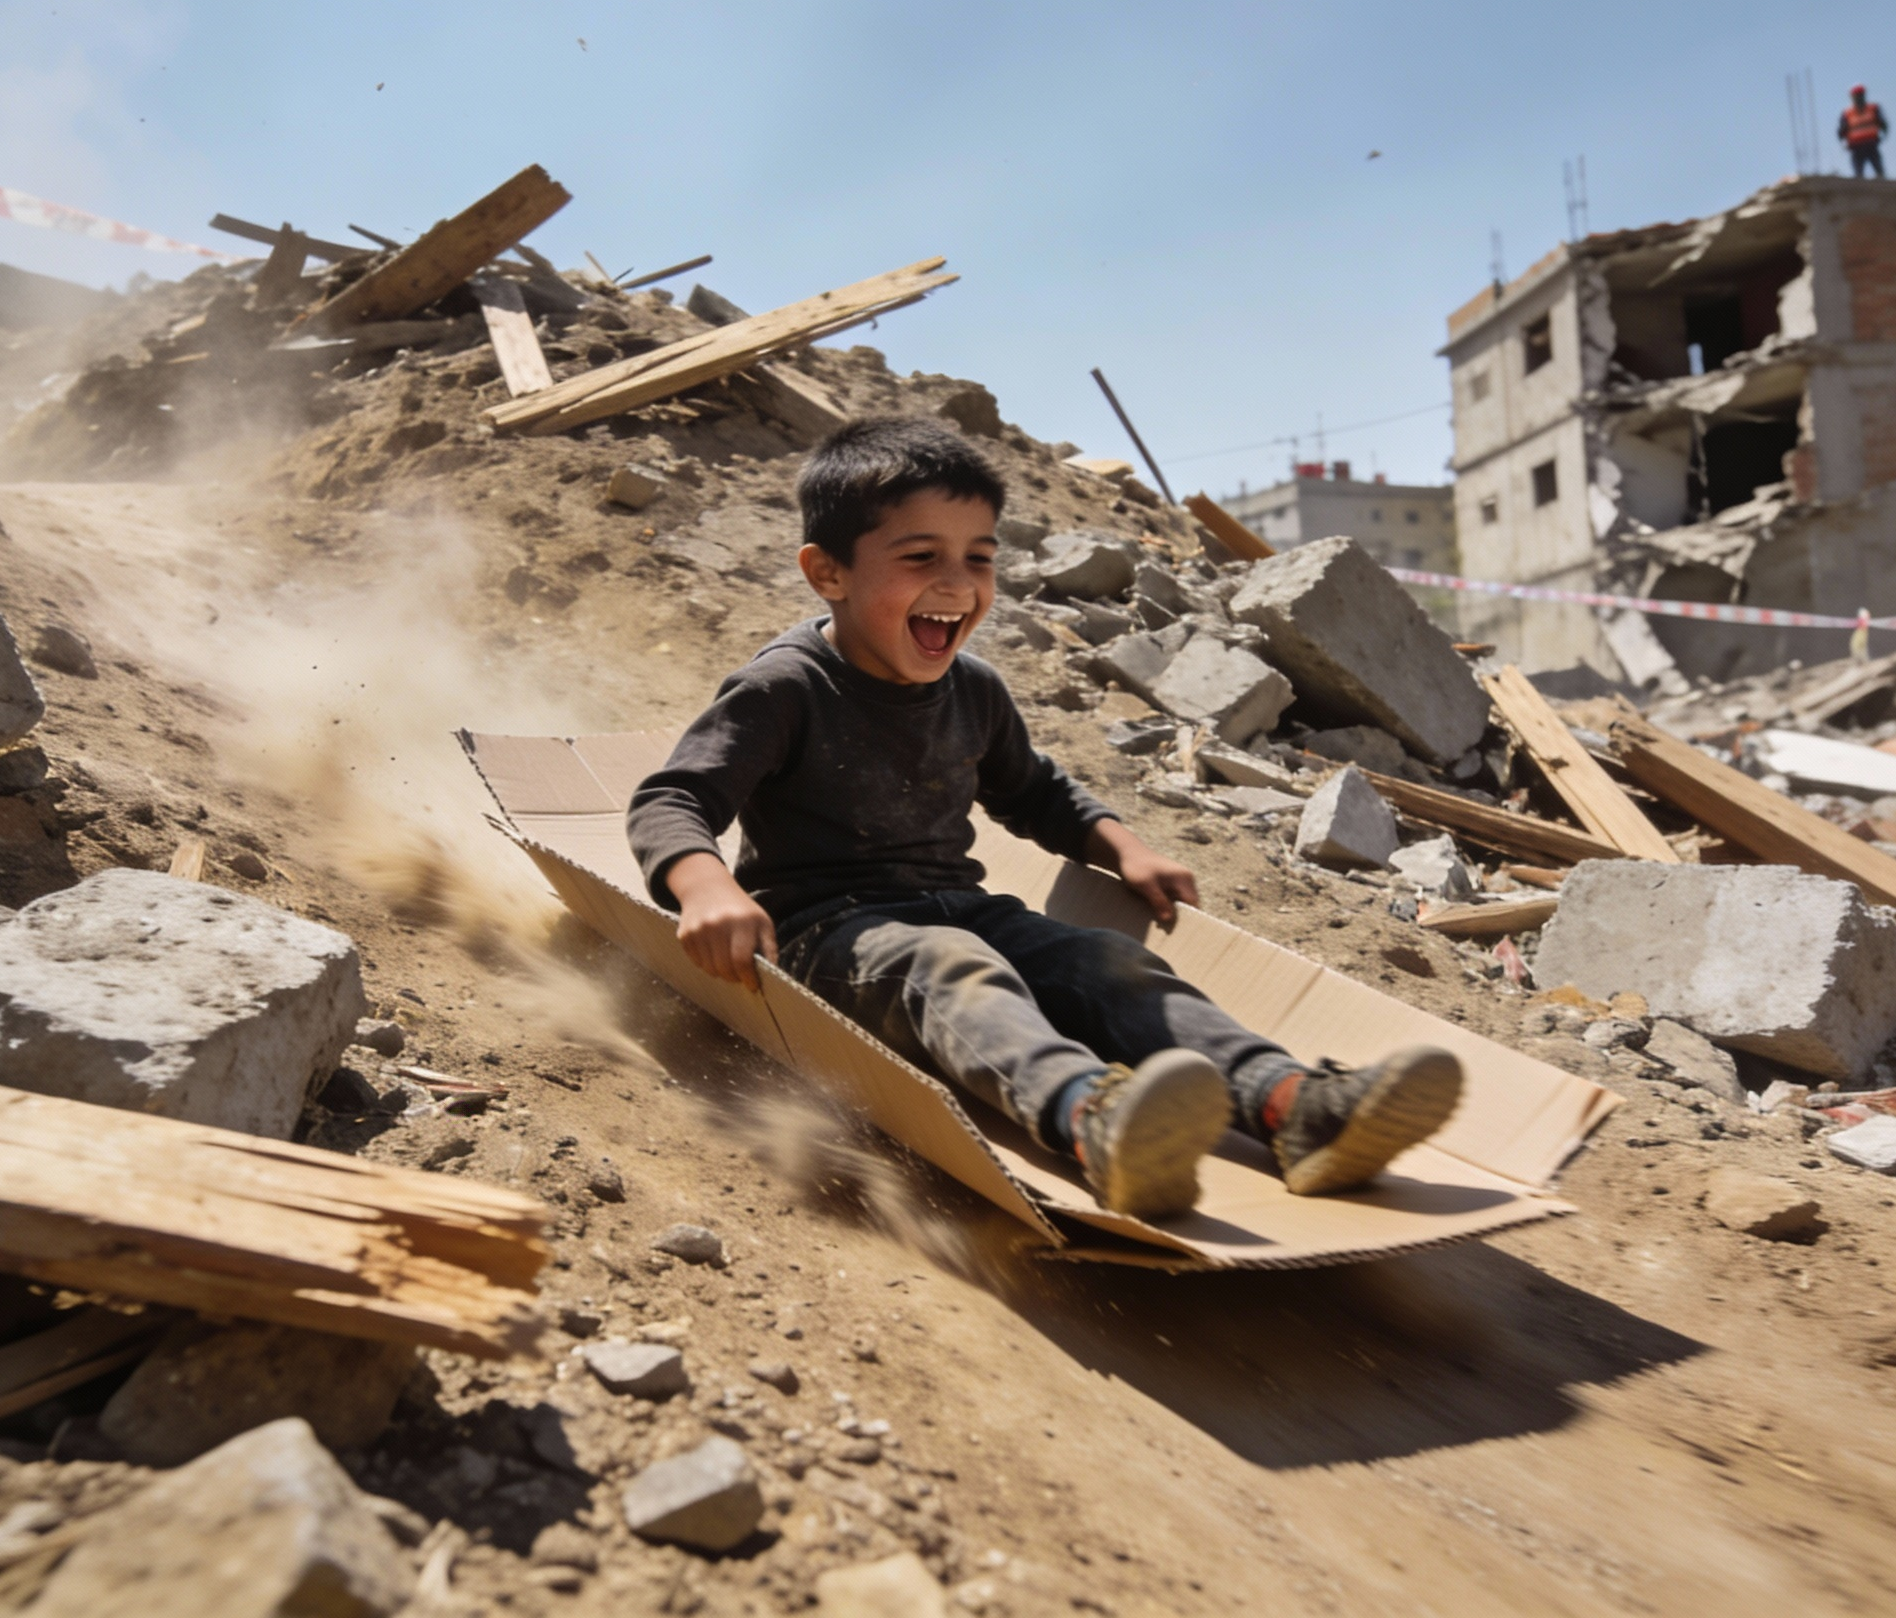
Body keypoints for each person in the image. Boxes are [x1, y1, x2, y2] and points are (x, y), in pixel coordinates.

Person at [626, 417, 1461, 1218]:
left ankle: (1290, 1105)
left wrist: (1124, 849)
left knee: (1103, 962)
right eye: (921, 557)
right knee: (948, 967)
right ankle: (1092, 1122)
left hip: (962, 906)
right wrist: (705, 889)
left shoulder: (975, 689)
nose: (957, 585)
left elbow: (1035, 793)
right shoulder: (785, 687)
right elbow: (673, 799)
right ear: (828, 573)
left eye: (978, 559)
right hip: (827, 936)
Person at [1839, 85, 1889, 178]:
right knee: (1858, 174)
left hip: (1871, 145)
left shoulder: (1873, 109)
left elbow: (1883, 124)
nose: (1858, 98)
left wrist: (1883, 136)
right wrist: (1843, 143)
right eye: (1856, 96)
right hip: (1856, 148)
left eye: (1860, 95)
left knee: (1879, 171)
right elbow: (1841, 131)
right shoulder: (1847, 113)